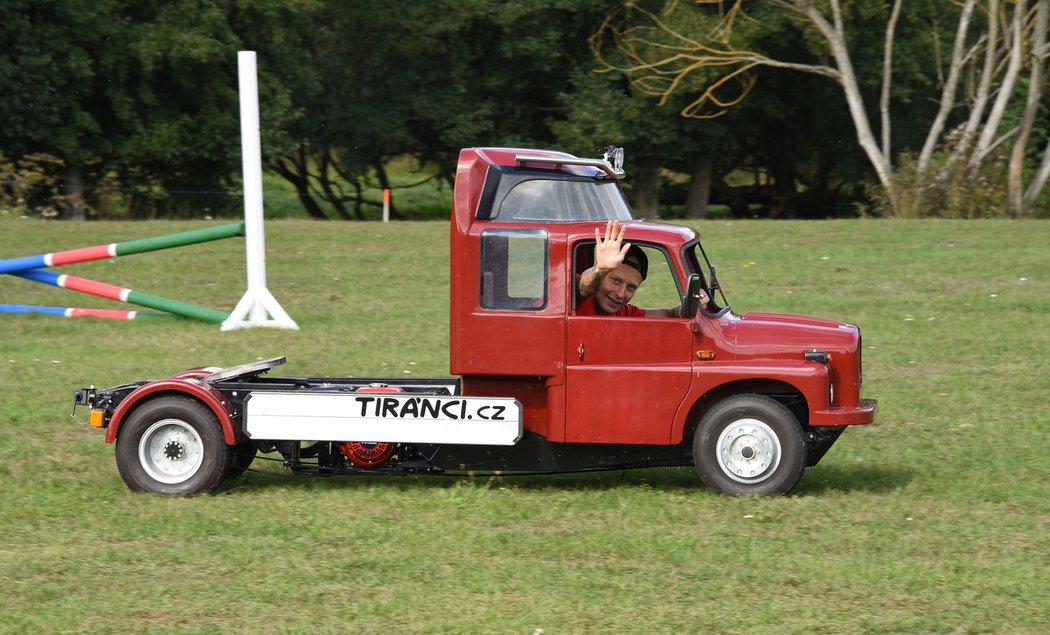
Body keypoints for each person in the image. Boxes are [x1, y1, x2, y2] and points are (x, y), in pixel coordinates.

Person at [577, 220, 704, 318]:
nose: (620, 294)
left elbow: (670, 314)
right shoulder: (575, 296)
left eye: (630, 288)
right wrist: (601, 269)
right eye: (616, 281)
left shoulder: (623, 312)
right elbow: (583, 288)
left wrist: (695, 305)